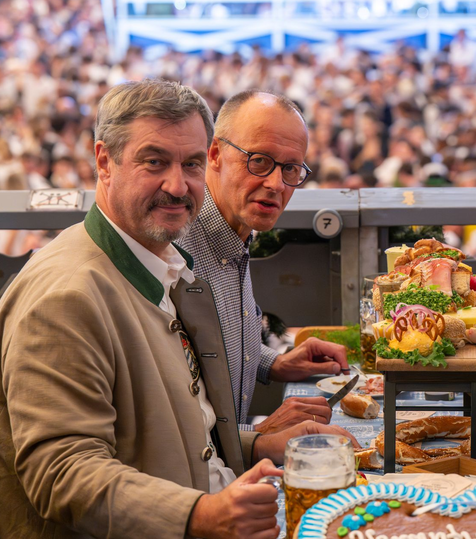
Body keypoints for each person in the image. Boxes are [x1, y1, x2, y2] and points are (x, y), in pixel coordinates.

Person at [0, 79, 357, 539]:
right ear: (104, 162)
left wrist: (257, 444)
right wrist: (203, 516)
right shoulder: (66, 294)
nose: (178, 184)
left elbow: (175, 432)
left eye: (188, 163)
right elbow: (63, 473)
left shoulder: (162, 261)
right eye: (154, 162)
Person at [178, 90, 345, 434]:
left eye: (291, 169)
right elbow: (171, 426)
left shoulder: (235, 231)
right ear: (214, 155)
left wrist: (276, 363)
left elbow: (207, 353)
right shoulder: (177, 251)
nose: (275, 184)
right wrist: (260, 436)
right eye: (259, 161)